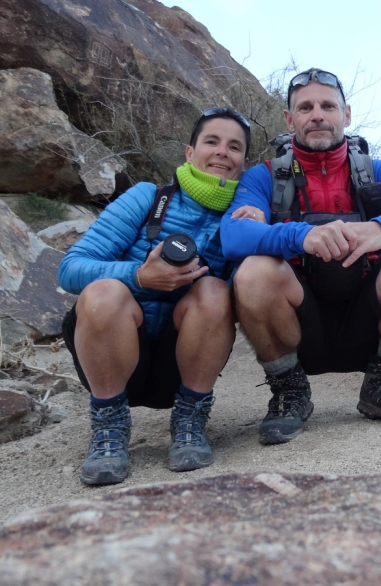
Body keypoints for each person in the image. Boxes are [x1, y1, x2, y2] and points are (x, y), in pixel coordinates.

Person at [221, 68, 381, 445]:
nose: (317, 115)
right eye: (305, 107)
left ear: (346, 114)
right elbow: (233, 236)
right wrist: (303, 235)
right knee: (253, 270)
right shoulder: (264, 178)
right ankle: (288, 390)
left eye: (328, 105)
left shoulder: (380, 174)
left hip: (367, 317)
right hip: (298, 322)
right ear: (289, 118)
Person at [59, 107, 250, 485]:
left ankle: (190, 421)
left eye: (234, 147)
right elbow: (71, 268)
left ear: (244, 163)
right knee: (104, 292)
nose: (221, 153)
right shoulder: (148, 198)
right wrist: (139, 276)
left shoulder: (244, 217)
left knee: (214, 290)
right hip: (114, 354)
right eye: (211, 141)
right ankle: (109, 430)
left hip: (182, 363)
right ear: (189, 152)